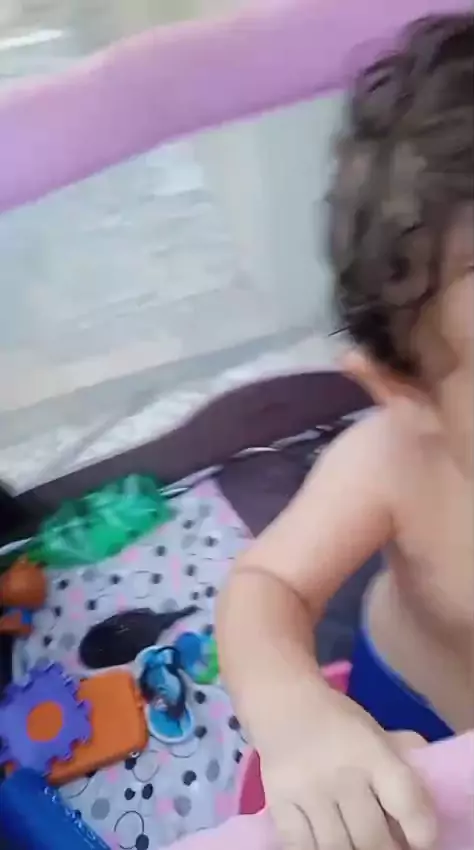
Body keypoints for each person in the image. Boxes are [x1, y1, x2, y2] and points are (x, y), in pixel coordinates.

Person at [217, 13, 473, 850]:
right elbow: (267, 588)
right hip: (410, 716)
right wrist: (297, 715)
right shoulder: (390, 464)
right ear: (407, 388)